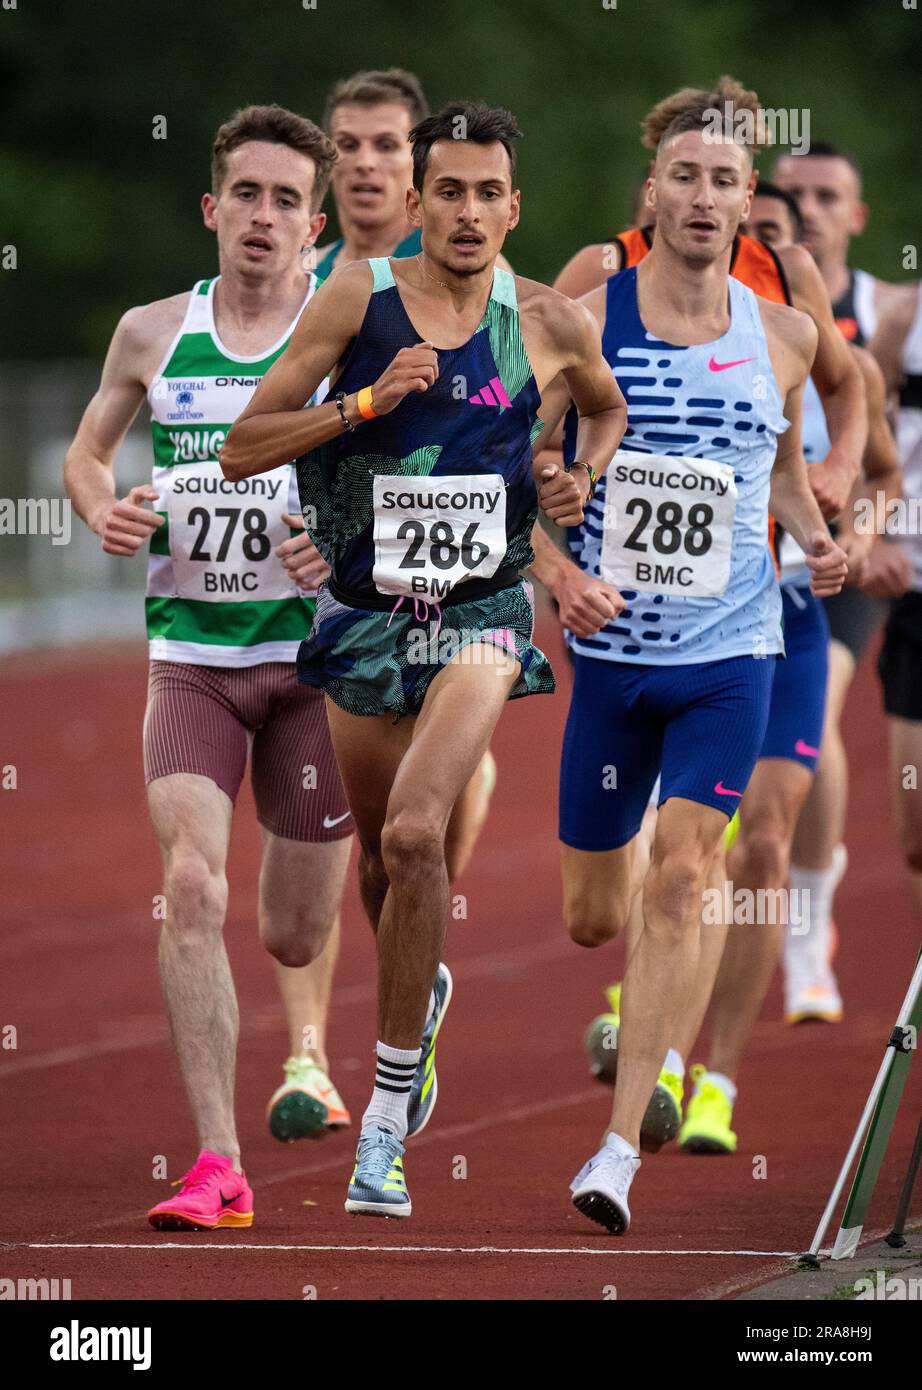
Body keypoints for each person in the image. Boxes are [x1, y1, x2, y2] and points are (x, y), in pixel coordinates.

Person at [221, 101, 627, 1220]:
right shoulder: (357, 296)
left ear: (513, 206)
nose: (467, 210)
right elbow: (243, 442)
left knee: (414, 830)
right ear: (413, 202)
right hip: (361, 613)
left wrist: (575, 478)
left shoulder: (544, 320)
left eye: (488, 192)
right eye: (445, 189)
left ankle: (386, 1127)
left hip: (484, 609)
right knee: (379, 874)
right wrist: (363, 401)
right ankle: (421, 992)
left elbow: (606, 409)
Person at [542, 102, 847, 1233]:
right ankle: (646, 993)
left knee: (686, 868)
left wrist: (820, 537)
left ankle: (618, 1146)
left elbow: (779, 473)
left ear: (744, 195)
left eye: (726, 179)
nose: (706, 197)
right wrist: (556, 559)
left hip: (733, 651)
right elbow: (515, 469)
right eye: (685, 176)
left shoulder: (783, 336)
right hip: (611, 660)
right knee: (588, 913)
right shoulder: (579, 321)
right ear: (653, 194)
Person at [64, 105, 354, 1230]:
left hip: (312, 665)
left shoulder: (339, 341)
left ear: (311, 222)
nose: (265, 217)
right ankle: (219, 1164)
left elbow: (389, 473)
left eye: (287, 200)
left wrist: (333, 542)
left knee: (294, 932)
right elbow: (89, 453)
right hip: (188, 660)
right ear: (212, 207)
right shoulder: (151, 332)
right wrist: (106, 508)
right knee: (190, 884)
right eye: (247, 194)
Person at [773, 143, 915, 1004]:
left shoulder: (888, 313)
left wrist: (878, 534)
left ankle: (806, 916)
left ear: (856, 217)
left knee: (811, 710)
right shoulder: (725, 301)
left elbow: (894, 453)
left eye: (828, 196)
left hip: (841, 558)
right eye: (793, 194)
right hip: (742, 558)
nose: (809, 210)